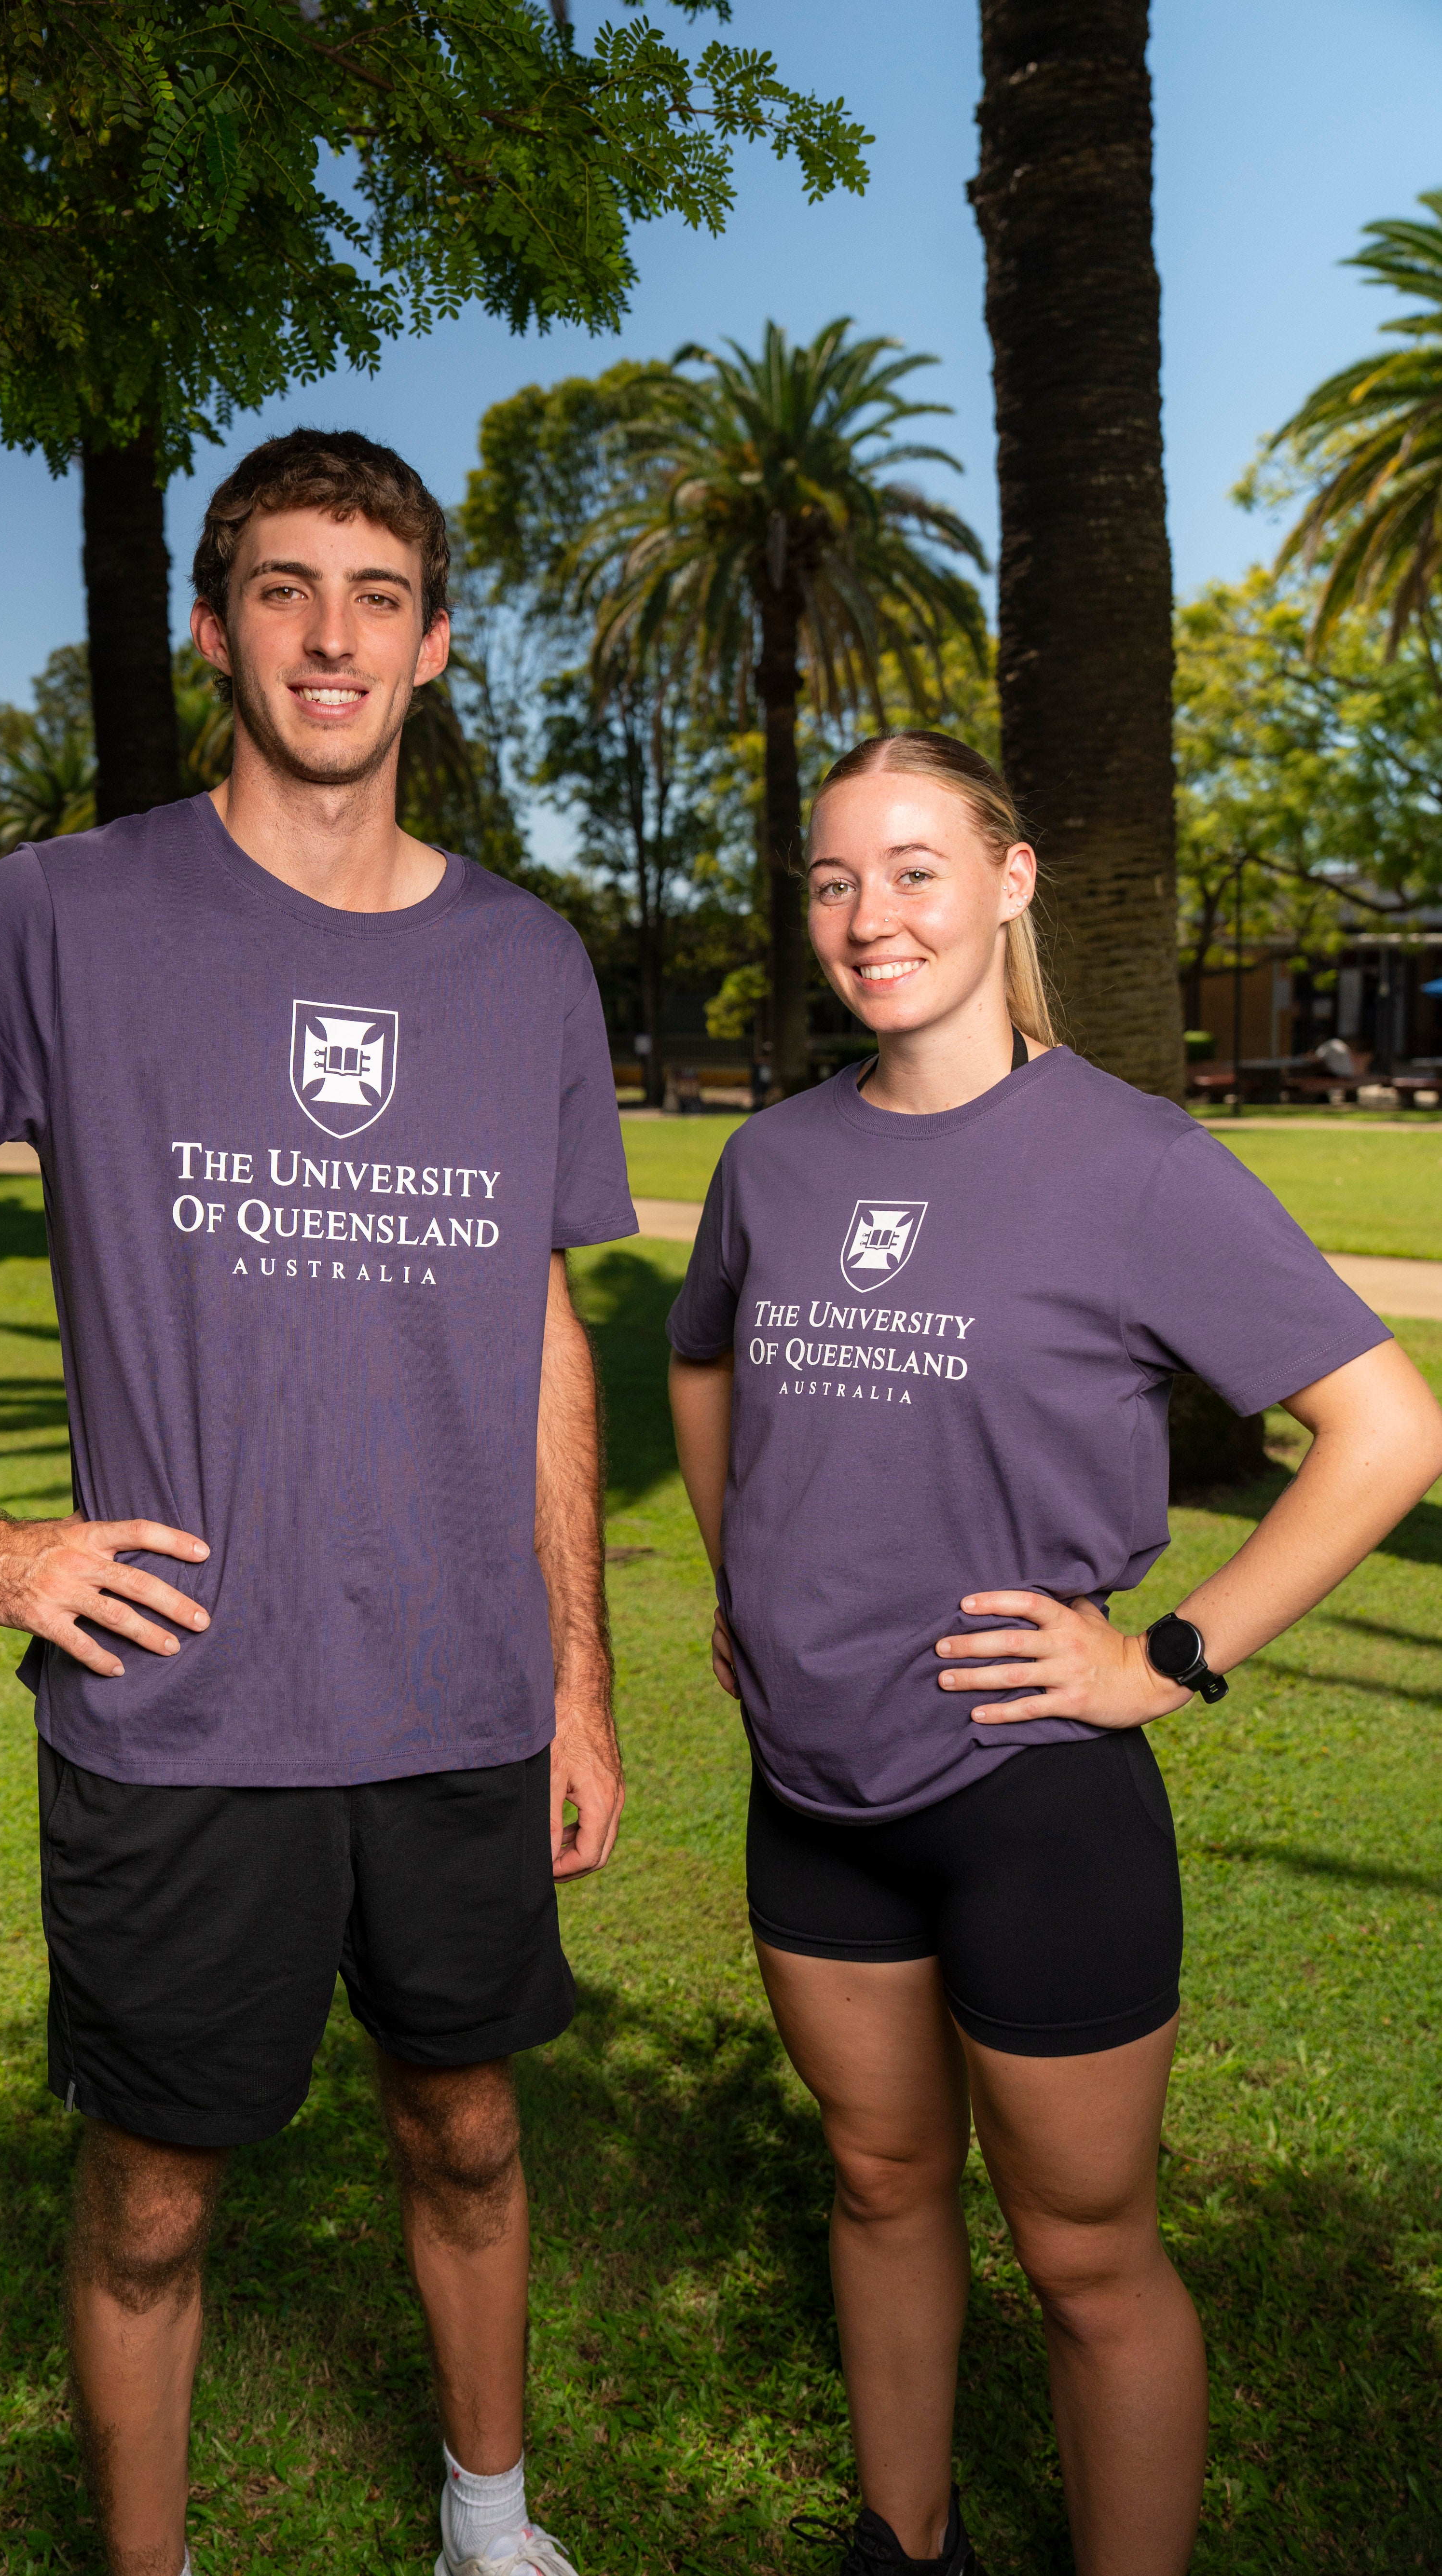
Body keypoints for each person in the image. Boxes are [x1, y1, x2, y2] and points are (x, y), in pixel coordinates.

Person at [0, 429, 636, 2576]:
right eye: (287, 588)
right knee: (150, 2195)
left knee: (474, 2132)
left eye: (378, 594)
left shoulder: (526, 963)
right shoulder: (62, 915)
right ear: (209, 625)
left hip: (455, 1700)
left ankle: (487, 2529)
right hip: (181, 1709)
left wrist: (579, 1677)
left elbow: (537, 1330)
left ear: (433, 647)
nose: (332, 634)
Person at [665, 730, 1442, 2576]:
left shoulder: (1134, 1160)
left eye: (916, 868)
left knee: (1088, 2251)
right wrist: (745, 1569)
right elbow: (704, 1360)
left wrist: (1164, 1657)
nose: (872, 917)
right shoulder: (774, 1161)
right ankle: (904, 2540)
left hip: (1034, 1799)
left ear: (1010, 883)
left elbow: (1390, 1431)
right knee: (879, 2177)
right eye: (837, 879)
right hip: (814, 1786)